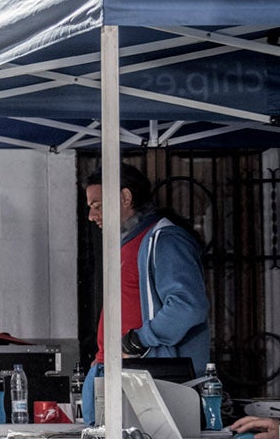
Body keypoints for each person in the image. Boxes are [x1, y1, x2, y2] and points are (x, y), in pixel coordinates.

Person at [81, 167, 211, 423]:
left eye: (97, 205)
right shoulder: (132, 242)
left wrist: (139, 340)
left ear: (125, 197)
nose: (91, 215)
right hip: (118, 373)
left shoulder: (164, 239)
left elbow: (188, 306)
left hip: (148, 380)